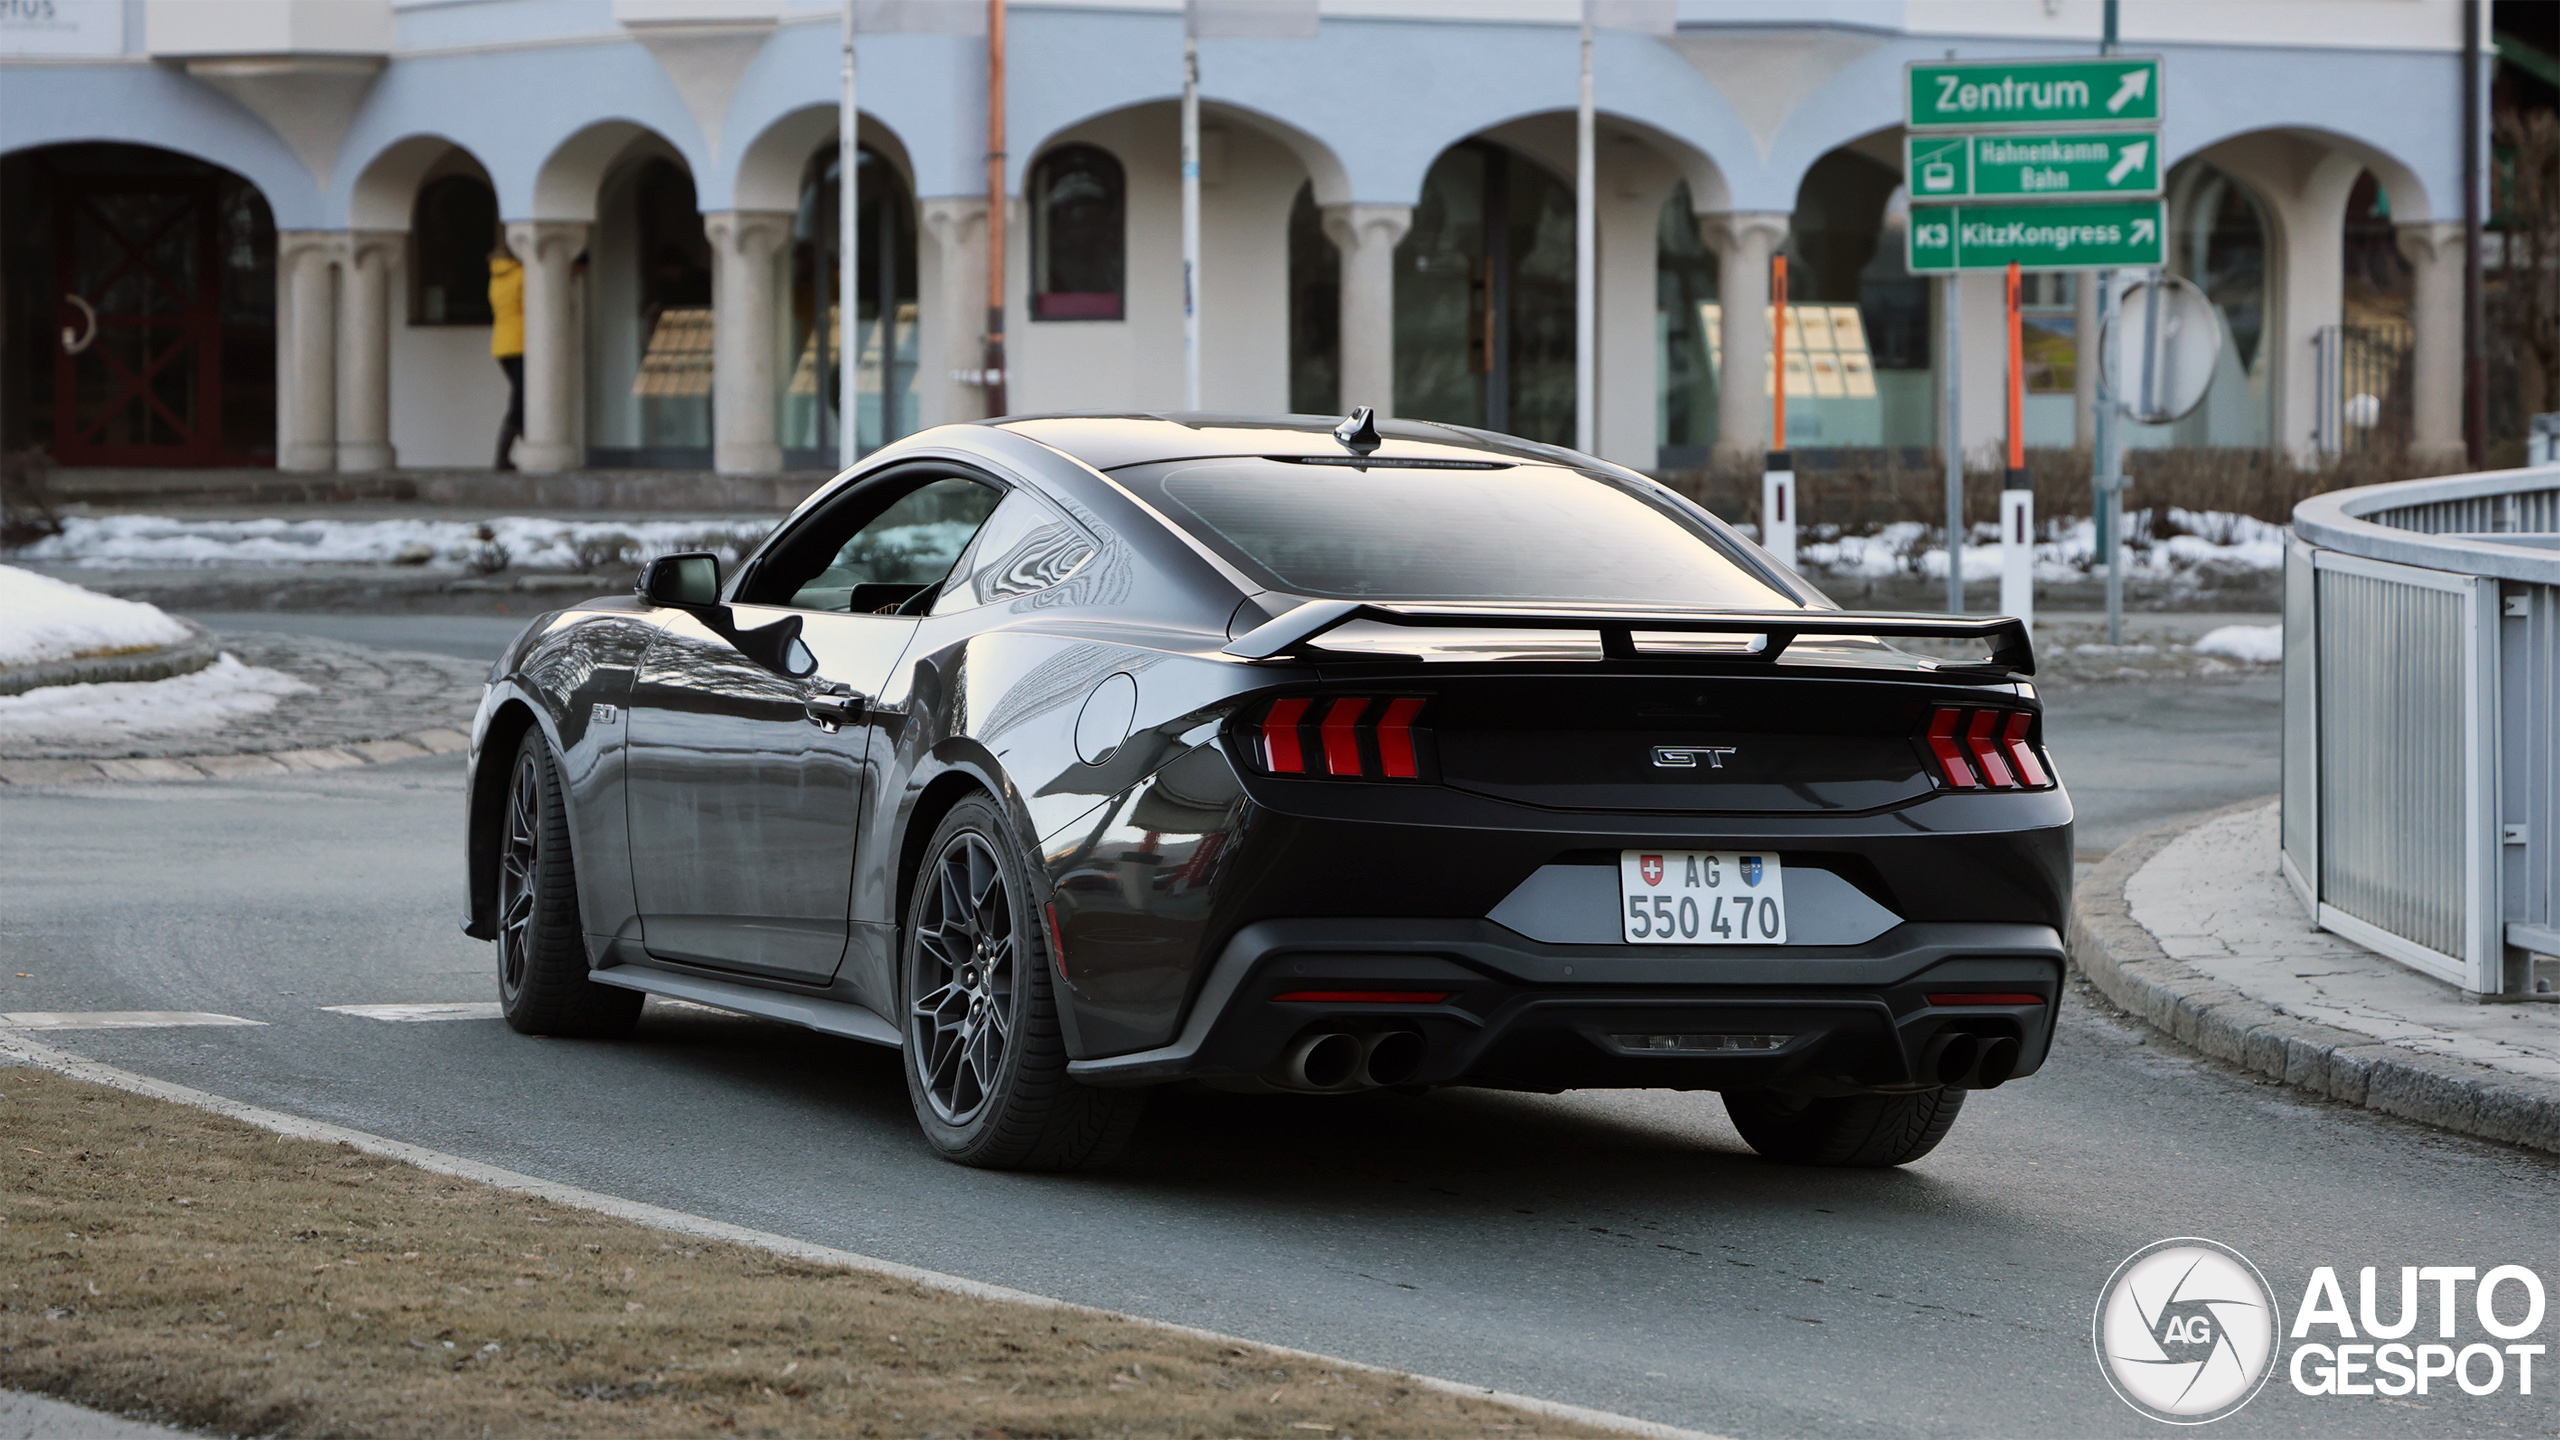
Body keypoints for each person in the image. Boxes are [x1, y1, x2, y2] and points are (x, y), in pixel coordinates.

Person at [488, 237, 525, 470]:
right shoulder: (523, 275)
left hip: (502, 345)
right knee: (522, 401)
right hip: (521, 344)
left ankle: (518, 451)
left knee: (523, 398)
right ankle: (502, 456)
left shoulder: (495, 279)